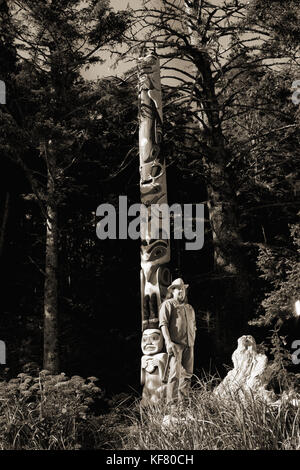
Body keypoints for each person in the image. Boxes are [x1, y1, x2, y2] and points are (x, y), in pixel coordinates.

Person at [159, 278, 196, 405]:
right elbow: (163, 324)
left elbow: (194, 325)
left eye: (183, 288)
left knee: (187, 375)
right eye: (179, 288)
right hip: (175, 344)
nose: (182, 291)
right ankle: (172, 406)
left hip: (189, 345)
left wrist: (193, 339)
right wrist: (168, 342)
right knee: (174, 375)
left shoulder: (190, 308)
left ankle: (184, 404)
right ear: (173, 291)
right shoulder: (168, 304)